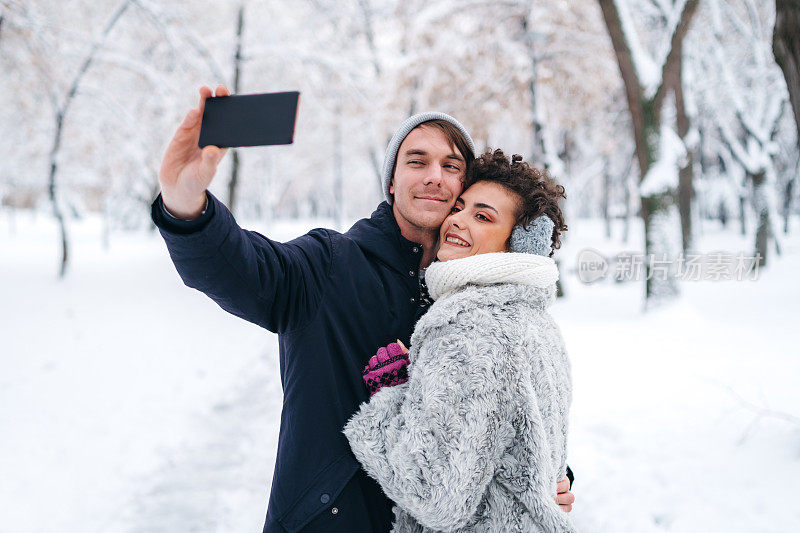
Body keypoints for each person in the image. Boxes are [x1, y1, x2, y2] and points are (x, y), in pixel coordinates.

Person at [151, 85, 574, 532]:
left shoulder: (474, 300)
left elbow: (505, 411)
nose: (434, 176)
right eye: (417, 161)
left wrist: (547, 477)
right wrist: (185, 206)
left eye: (451, 166)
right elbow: (239, 267)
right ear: (392, 180)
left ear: (461, 189)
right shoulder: (329, 263)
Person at [344, 149, 574, 532]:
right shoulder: (537, 322)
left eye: (482, 216)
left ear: (520, 243)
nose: (456, 221)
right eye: (461, 207)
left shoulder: (468, 327)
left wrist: (392, 394)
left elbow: (434, 495)